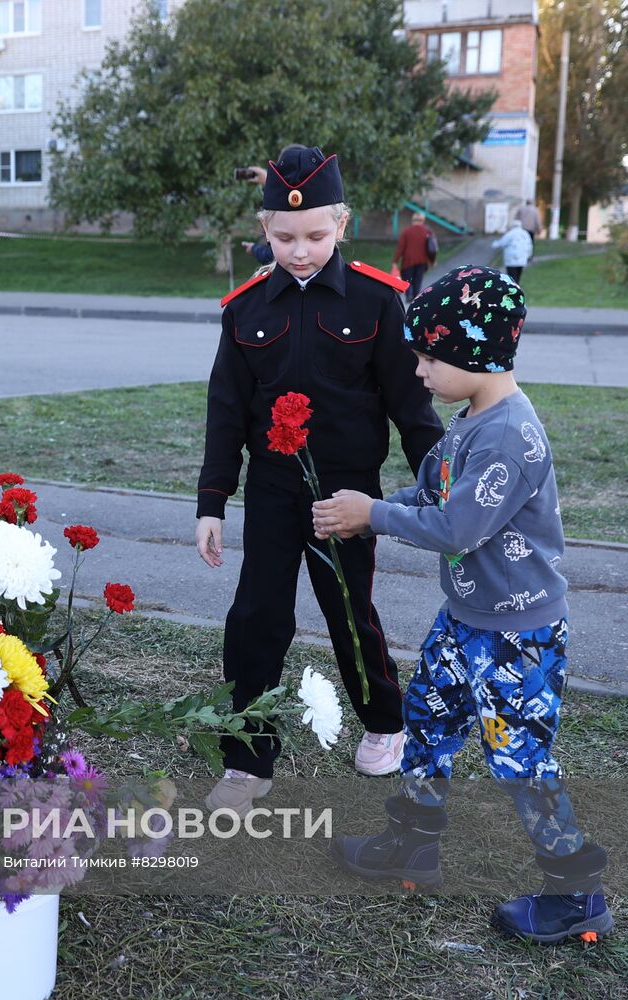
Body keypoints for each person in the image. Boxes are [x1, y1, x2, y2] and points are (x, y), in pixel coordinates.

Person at [314, 266, 613, 945]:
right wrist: (365, 513)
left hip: (519, 637)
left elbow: (456, 528)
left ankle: (576, 895)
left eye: (427, 356)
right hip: (466, 620)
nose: (417, 369)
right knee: (429, 721)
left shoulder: (508, 435)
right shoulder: (472, 416)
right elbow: (436, 492)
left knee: (520, 762)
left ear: (474, 355)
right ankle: (413, 843)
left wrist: (377, 515)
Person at [195, 145, 443, 816]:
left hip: (347, 494)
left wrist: (444, 484)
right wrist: (212, 501)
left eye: (313, 235)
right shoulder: (243, 309)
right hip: (274, 490)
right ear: (264, 229)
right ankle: (248, 761)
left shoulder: (376, 299)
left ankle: (386, 723)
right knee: (256, 620)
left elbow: (411, 409)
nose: (298, 250)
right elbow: (226, 410)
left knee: (348, 614)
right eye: (282, 237)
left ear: (341, 224)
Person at [392, 211, 437, 305]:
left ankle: (408, 295)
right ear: (422, 220)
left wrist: (395, 261)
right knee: (418, 279)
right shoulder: (427, 231)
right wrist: (432, 261)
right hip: (422, 261)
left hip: (408, 261)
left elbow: (401, 247)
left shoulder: (406, 231)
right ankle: (416, 296)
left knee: (407, 279)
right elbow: (432, 247)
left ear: (413, 220)